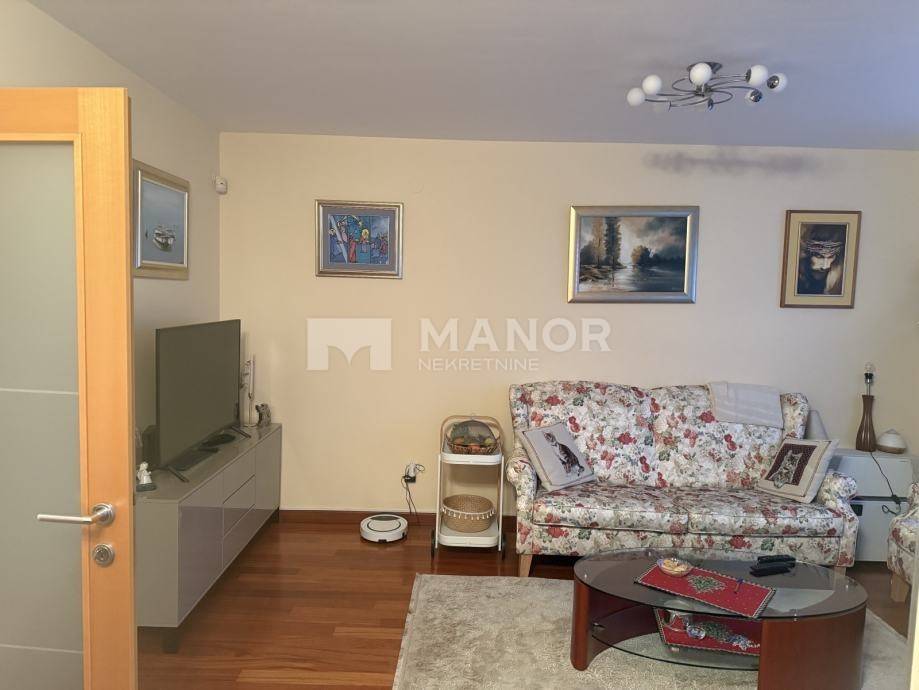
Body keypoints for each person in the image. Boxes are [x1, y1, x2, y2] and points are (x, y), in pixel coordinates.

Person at [797, 224, 845, 295]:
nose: (826, 266)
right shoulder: (794, 272)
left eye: (831, 256)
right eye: (819, 256)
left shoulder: (838, 276)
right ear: (807, 254)